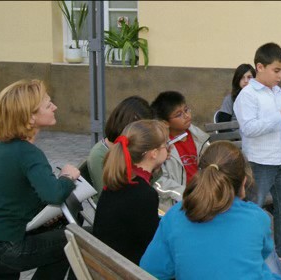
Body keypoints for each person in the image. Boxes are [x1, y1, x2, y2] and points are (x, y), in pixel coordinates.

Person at [140, 141, 281, 280]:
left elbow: (151, 270)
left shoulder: (175, 215)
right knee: (266, 257)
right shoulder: (257, 217)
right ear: (244, 181)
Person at [0, 79, 80, 279]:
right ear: (30, 118)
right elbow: (54, 194)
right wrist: (67, 176)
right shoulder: (29, 153)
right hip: (8, 246)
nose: (55, 107)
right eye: (48, 105)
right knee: (79, 239)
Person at [233, 42, 281, 266]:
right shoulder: (247, 95)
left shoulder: (278, 92)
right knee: (253, 208)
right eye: (276, 70)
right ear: (260, 66)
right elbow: (248, 128)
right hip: (260, 161)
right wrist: (280, 116)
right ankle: (248, 252)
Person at [93, 119, 170, 265]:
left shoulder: (118, 181)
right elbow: (153, 247)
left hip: (111, 265)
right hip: (130, 270)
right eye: (165, 145)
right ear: (153, 153)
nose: (168, 148)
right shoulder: (143, 194)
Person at [151, 91, 210, 209]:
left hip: (203, 198)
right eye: (178, 115)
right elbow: (158, 181)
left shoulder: (200, 138)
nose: (186, 115)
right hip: (174, 205)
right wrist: (185, 194)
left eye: (186, 110)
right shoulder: (160, 147)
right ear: (165, 123)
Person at [87, 96, 153, 201]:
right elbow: (110, 197)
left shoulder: (132, 147)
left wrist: (156, 164)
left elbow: (149, 186)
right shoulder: (100, 155)